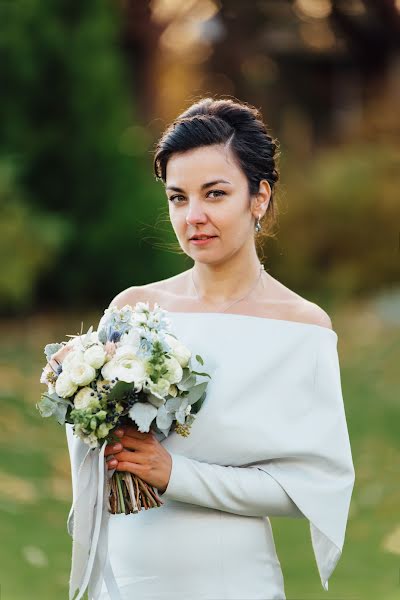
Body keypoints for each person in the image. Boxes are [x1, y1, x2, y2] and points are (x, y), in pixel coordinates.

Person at [62, 97, 355, 600]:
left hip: (233, 581)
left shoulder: (301, 327)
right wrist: (78, 397)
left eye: (214, 194)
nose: (193, 215)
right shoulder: (133, 308)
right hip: (127, 577)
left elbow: (308, 487)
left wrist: (177, 474)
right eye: (178, 198)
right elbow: (101, 459)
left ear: (258, 197)